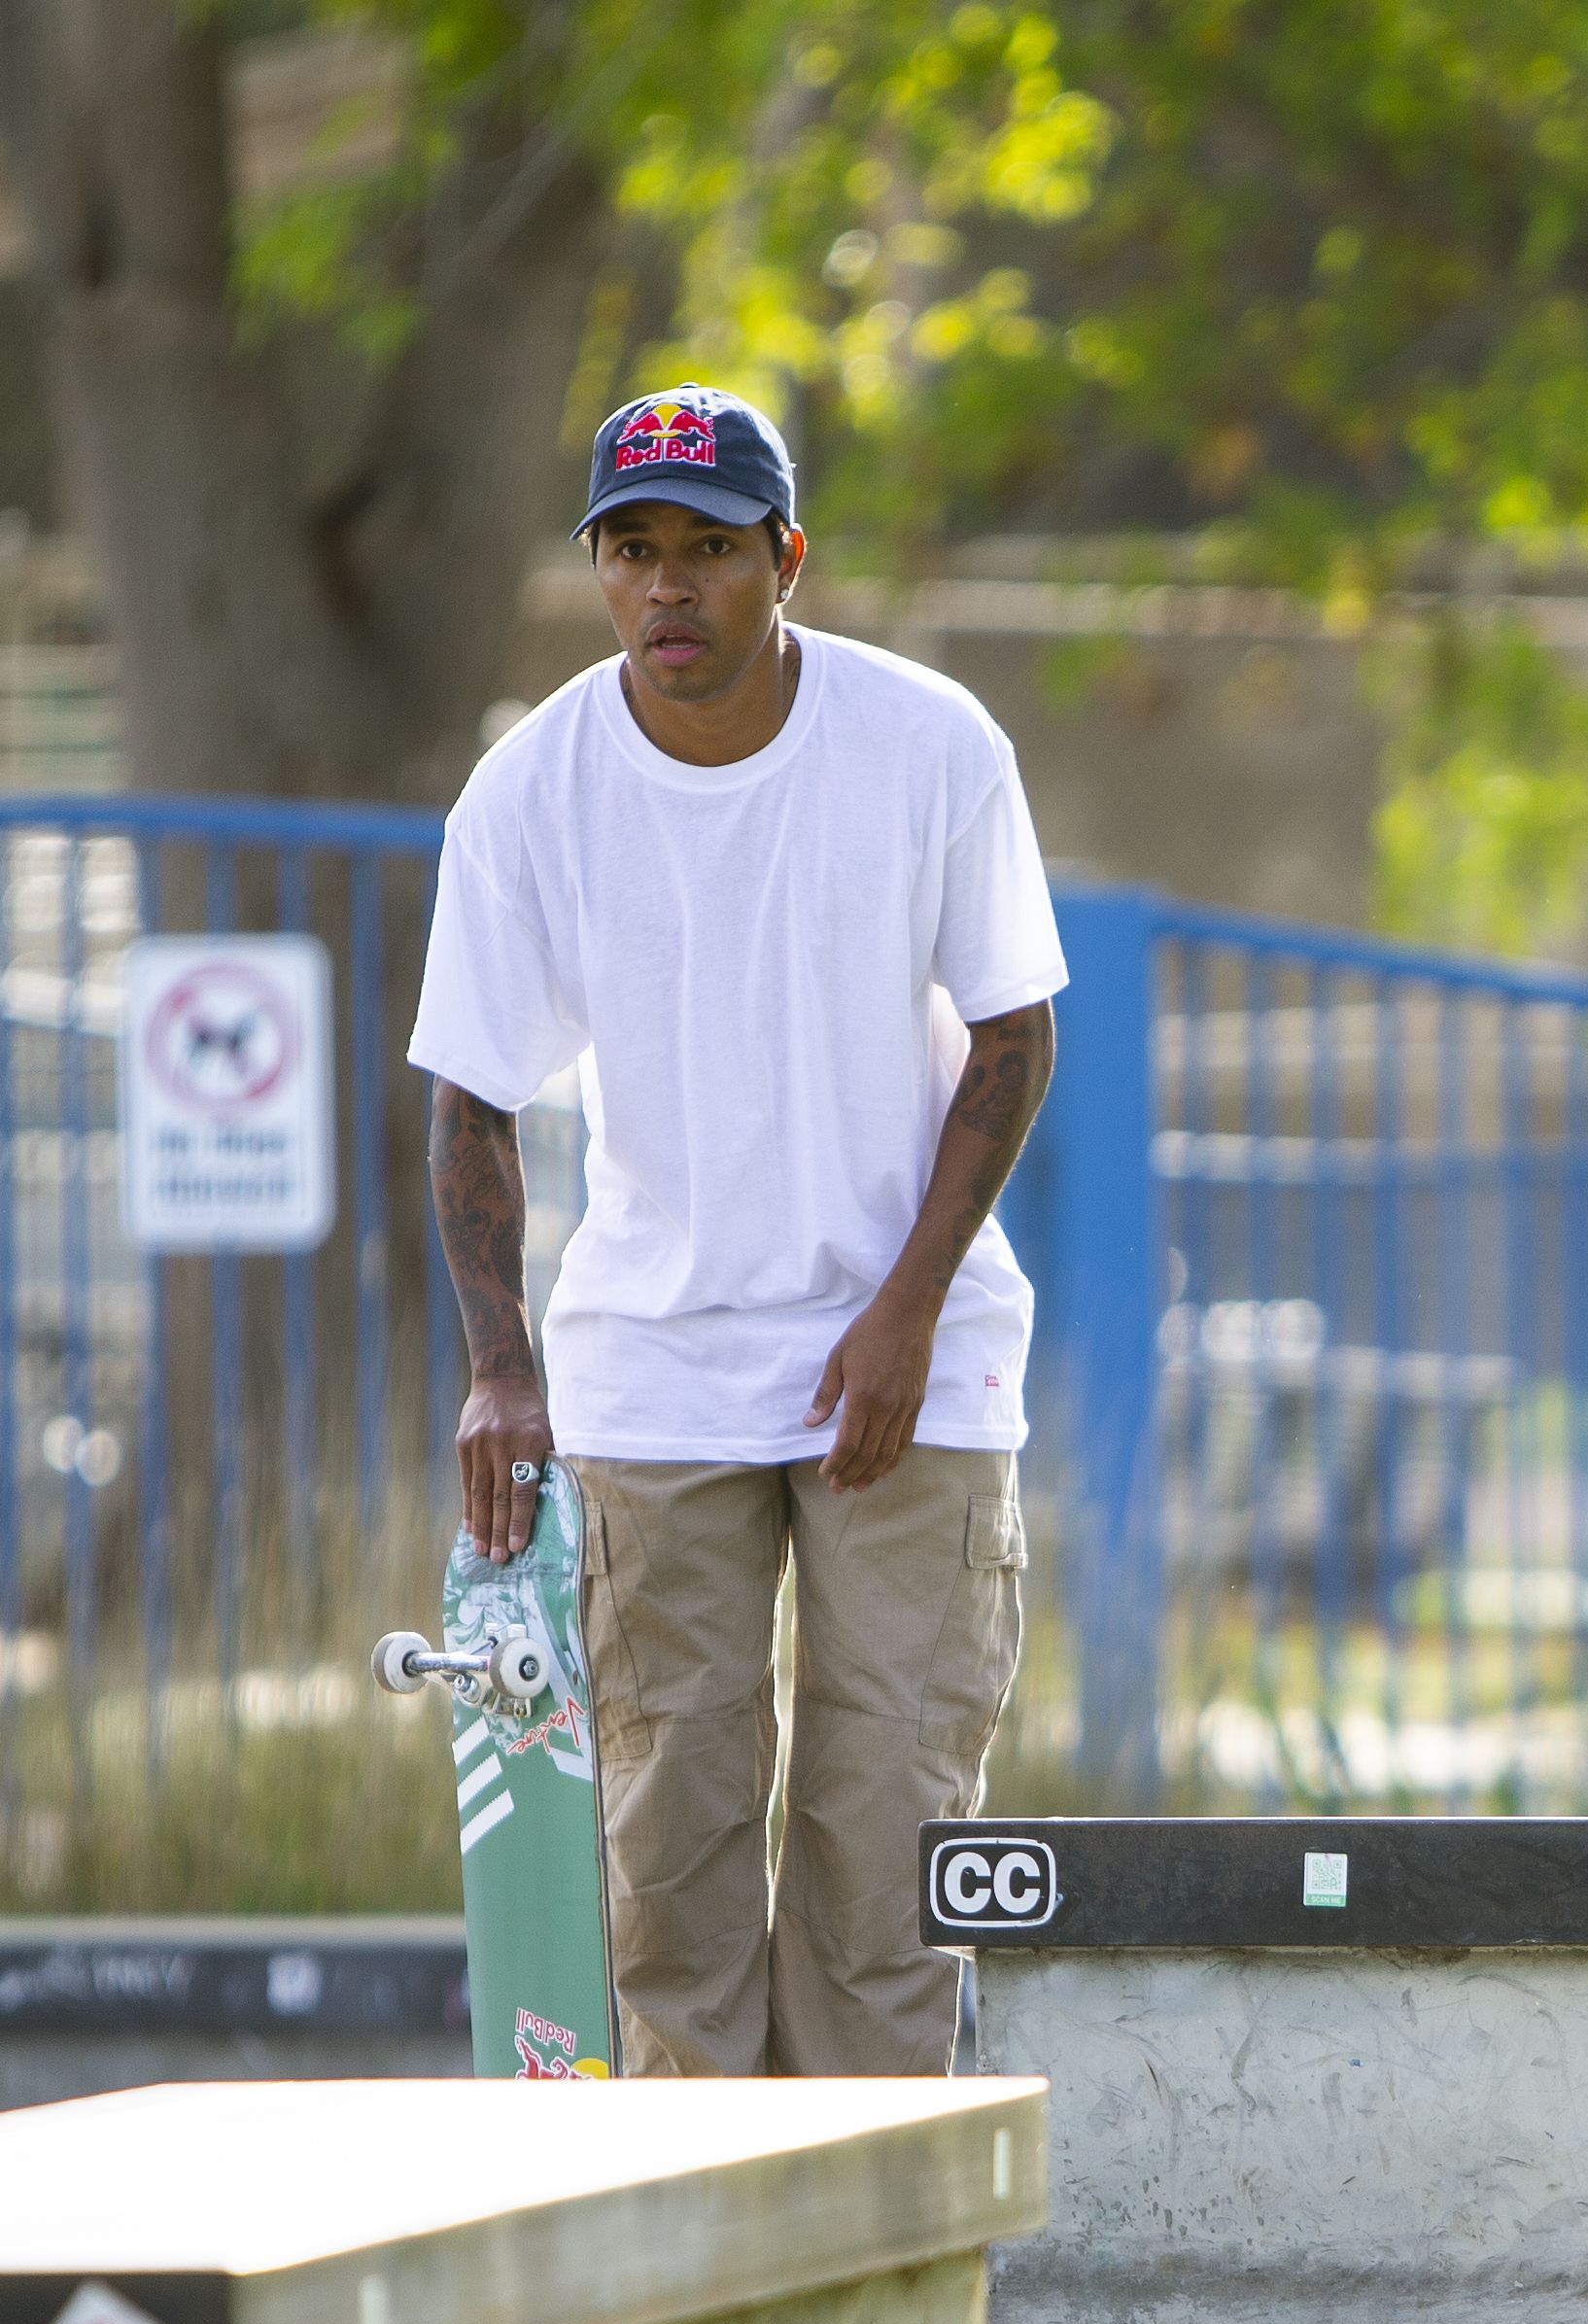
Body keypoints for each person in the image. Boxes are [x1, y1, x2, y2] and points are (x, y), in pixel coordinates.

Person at [405, 384, 1060, 2078]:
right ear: (599, 575)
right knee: (667, 1873)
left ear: (787, 560)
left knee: (886, 1854)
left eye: (708, 550)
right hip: (654, 1374)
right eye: (633, 552)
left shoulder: (926, 746)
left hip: (909, 1367)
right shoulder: (531, 792)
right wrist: (501, 1373)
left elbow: (1011, 1031)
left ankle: (871, 2283)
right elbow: (469, 1096)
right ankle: (705, 2280)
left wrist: (909, 1307)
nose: (669, 589)